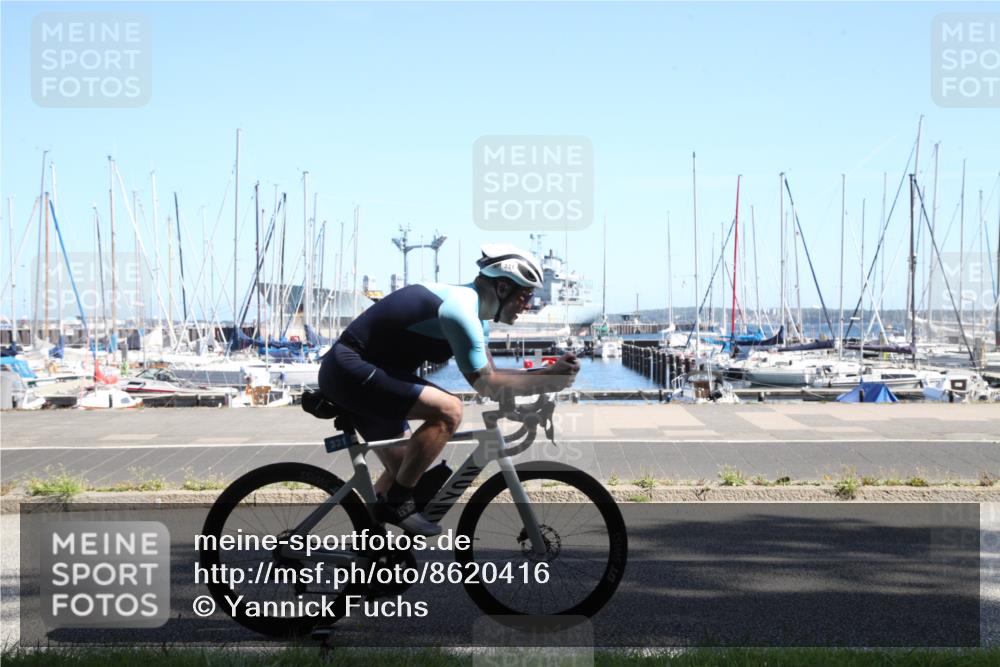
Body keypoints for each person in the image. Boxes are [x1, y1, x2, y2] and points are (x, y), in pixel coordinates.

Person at [318, 244, 580, 535]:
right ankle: (399, 505)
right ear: (503, 287)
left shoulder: (475, 317)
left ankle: (372, 556)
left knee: (405, 469)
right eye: (525, 295)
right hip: (350, 371)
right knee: (449, 410)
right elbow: (486, 385)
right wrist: (548, 378)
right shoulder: (460, 310)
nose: (528, 304)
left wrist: (547, 373)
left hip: (370, 375)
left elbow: (493, 375)